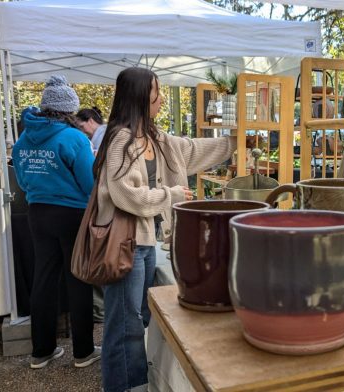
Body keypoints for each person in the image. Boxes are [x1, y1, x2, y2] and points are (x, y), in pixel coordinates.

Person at [93, 67, 236, 392]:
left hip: (143, 243)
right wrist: (169, 196)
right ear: (140, 96)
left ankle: (139, 384)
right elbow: (125, 194)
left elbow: (192, 150)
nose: (159, 98)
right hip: (123, 242)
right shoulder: (120, 141)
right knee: (124, 325)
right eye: (155, 91)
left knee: (138, 320)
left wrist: (235, 142)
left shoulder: (156, 139)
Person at [12, 75, 99, 369]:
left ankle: (41, 351)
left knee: (44, 279)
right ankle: (83, 352)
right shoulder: (75, 138)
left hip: (37, 213)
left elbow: (22, 181)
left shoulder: (23, 139)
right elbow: (89, 184)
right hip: (71, 215)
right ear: (69, 109)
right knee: (78, 280)